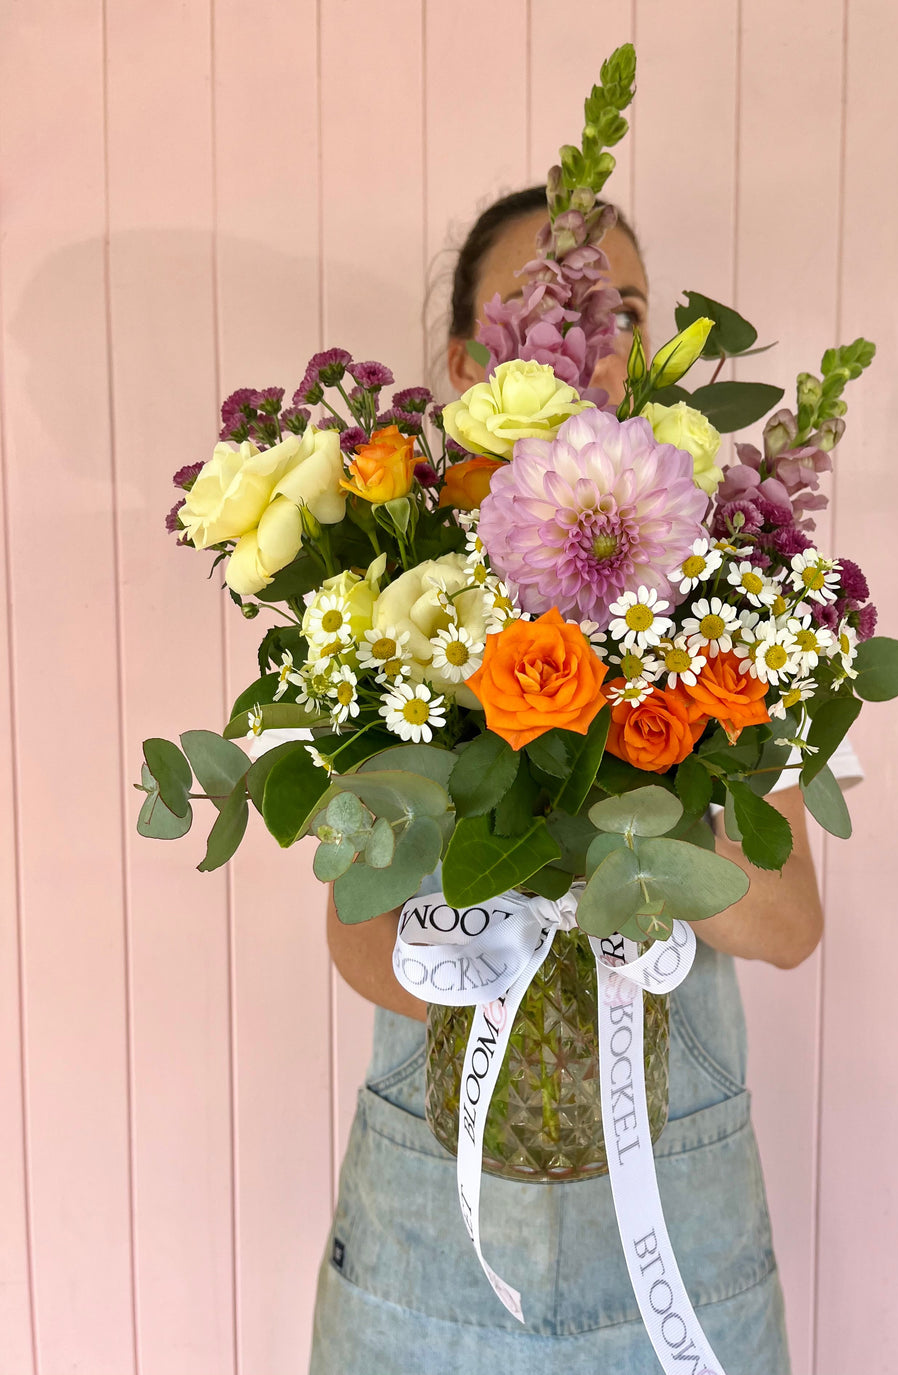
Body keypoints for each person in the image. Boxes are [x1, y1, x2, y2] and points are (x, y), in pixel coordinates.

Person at [309, 186, 862, 1374]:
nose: (594, 340)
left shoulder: (737, 611)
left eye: (626, 313)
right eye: (552, 307)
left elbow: (786, 920)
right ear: (469, 361)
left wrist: (624, 768)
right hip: (426, 1246)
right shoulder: (386, 608)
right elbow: (359, 950)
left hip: (685, 1227)